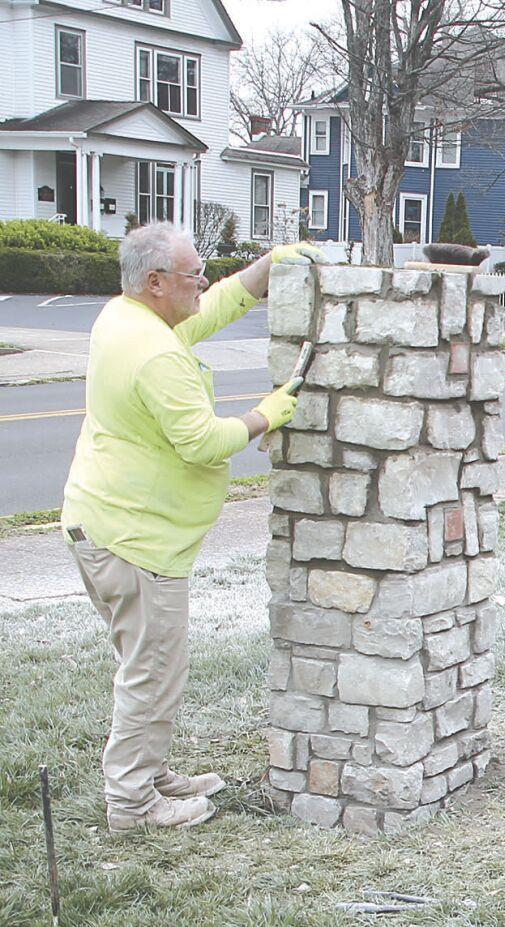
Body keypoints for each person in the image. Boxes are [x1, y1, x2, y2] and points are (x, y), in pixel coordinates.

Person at [62, 223, 324, 832]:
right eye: (192, 275)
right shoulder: (153, 352)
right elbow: (203, 443)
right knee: (151, 671)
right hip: (135, 542)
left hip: (109, 528)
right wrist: (266, 416)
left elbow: (206, 312)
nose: (202, 282)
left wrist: (264, 270)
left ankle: (150, 773)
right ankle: (133, 803)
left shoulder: (127, 319)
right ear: (155, 283)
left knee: (151, 663)